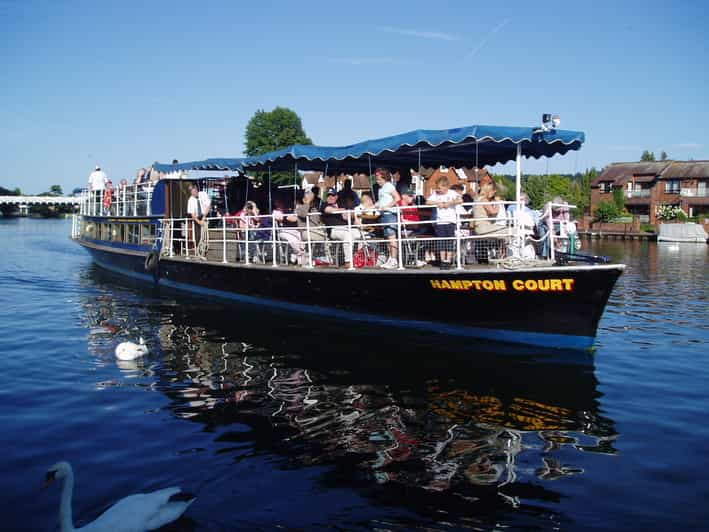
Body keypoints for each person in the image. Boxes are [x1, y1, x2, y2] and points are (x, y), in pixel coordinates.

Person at [320, 187, 363, 269]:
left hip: (347, 227)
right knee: (348, 235)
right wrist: (343, 210)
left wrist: (351, 215)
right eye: (328, 195)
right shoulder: (324, 204)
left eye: (332, 195)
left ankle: (358, 258)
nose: (330, 197)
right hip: (333, 230)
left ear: (336, 196)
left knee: (359, 233)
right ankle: (348, 262)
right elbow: (329, 210)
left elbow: (350, 214)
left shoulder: (341, 204)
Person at [426, 176, 462, 269]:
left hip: (450, 221)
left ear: (446, 186)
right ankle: (442, 260)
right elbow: (427, 202)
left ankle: (448, 260)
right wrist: (438, 203)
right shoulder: (436, 194)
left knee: (449, 241)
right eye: (437, 187)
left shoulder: (452, 193)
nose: (438, 189)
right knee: (441, 241)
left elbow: (460, 200)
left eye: (439, 187)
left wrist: (450, 203)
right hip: (440, 221)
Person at [375, 168, 401, 269]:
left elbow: (397, 198)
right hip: (384, 215)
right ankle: (390, 258)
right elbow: (380, 202)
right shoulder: (381, 189)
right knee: (388, 238)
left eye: (379, 179)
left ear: (384, 178)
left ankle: (394, 260)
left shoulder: (389, 186)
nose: (377, 181)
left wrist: (388, 206)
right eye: (377, 179)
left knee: (392, 237)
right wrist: (371, 206)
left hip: (390, 214)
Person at [187, 184, 211, 249]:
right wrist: (199, 222)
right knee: (197, 235)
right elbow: (192, 214)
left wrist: (204, 217)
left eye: (194, 192)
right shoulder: (190, 200)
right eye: (192, 193)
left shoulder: (203, 194)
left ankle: (205, 247)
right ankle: (198, 249)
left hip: (205, 214)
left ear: (197, 190)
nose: (193, 194)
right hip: (197, 218)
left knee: (205, 233)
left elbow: (208, 206)